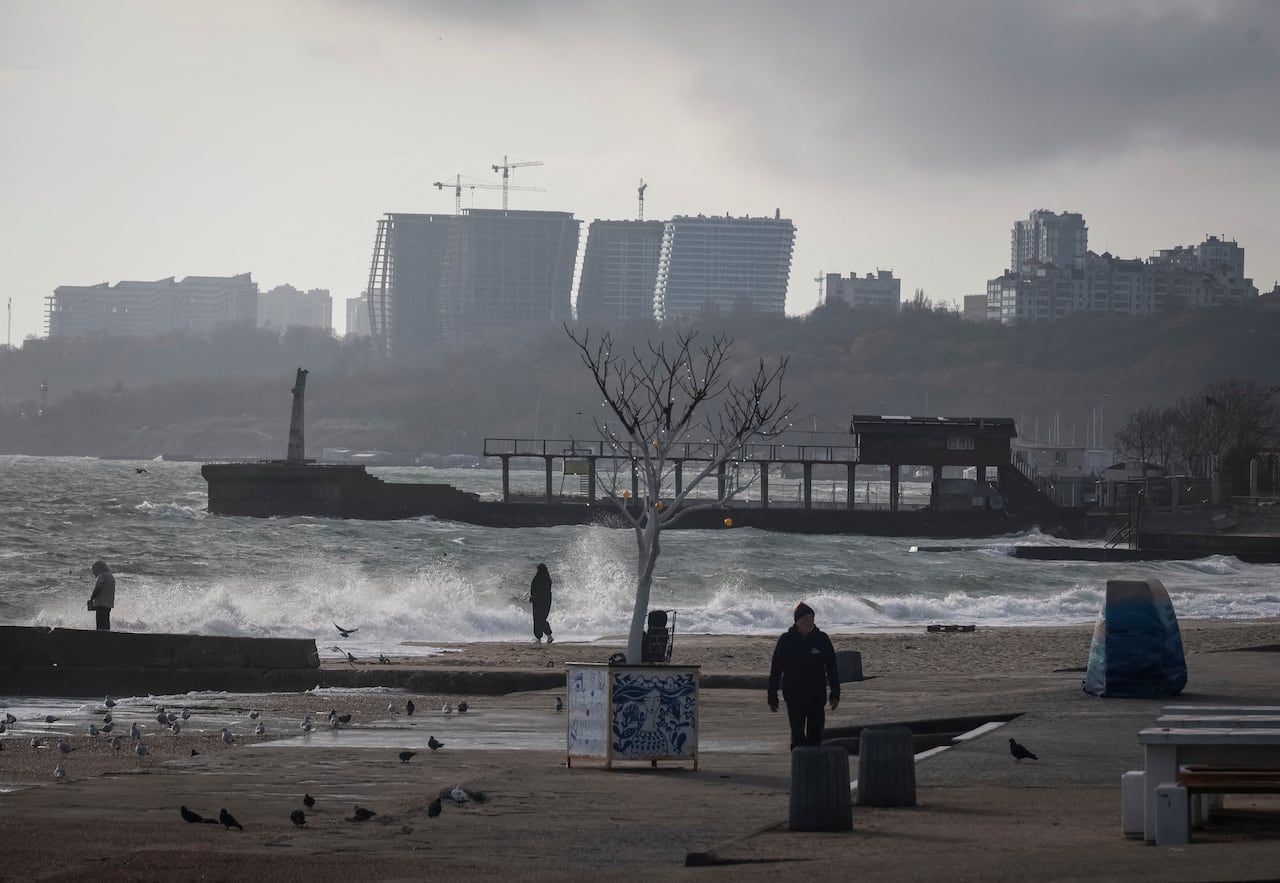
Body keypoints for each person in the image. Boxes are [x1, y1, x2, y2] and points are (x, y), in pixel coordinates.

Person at [767, 601, 840, 749]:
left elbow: (832, 668)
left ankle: (814, 769)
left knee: (815, 738)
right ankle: (799, 767)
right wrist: (772, 696)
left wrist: (835, 694)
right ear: (797, 621)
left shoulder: (822, 639)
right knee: (798, 736)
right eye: (806, 618)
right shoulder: (786, 640)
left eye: (812, 617)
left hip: (817, 696)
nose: (810, 620)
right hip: (794, 697)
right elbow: (776, 669)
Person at [88, 560, 115, 631]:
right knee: (106, 621)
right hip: (109, 603)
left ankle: (99, 637)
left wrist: (92, 597)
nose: (94, 573)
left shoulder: (101, 575)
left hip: (101, 603)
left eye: (94, 570)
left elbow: (98, 588)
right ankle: (107, 635)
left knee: (100, 622)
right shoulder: (110, 576)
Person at [530, 563, 554, 644]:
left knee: (537, 619)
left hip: (538, 601)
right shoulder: (548, 579)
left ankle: (539, 638)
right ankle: (549, 636)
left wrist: (532, 598)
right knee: (542, 619)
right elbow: (548, 590)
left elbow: (533, 589)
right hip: (547, 600)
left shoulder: (537, 578)